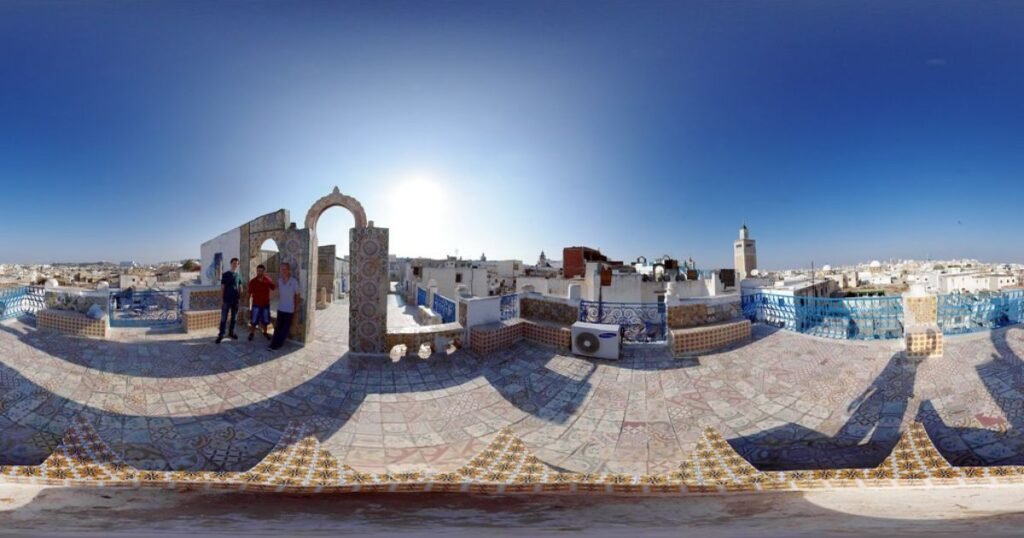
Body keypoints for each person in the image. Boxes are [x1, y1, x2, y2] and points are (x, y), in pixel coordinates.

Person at [268, 262, 301, 351]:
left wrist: (296, 307)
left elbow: (297, 295)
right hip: (280, 308)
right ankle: (273, 343)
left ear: (289, 270)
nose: (283, 271)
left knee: (285, 329)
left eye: (285, 269)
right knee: (278, 328)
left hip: (289, 309)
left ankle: (278, 344)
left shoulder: (294, 281)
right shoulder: (279, 281)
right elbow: (273, 289)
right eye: (281, 269)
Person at [215, 257, 242, 344]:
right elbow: (222, 288)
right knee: (223, 318)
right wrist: (222, 299)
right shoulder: (225, 274)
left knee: (234, 318)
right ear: (231, 264)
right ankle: (221, 335)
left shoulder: (238, 275)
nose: (235, 265)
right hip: (226, 300)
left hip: (235, 300)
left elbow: (239, 287)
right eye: (233, 263)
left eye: (236, 263)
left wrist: (240, 298)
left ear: (238, 265)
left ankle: (231, 332)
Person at [247, 264, 276, 341]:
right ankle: (252, 333)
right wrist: (248, 305)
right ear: (256, 271)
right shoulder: (252, 282)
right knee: (253, 320)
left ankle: (265, 332)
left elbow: (273, 287)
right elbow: (249, 294)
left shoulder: (268, 280)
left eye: (261, 271)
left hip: (265, 304)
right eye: (258, 271)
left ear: (264, 272)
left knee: (265, 320)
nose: (259, 272)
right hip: (256, 304)